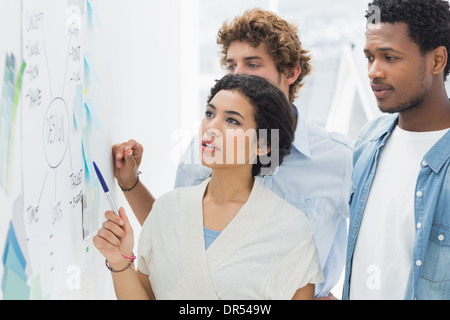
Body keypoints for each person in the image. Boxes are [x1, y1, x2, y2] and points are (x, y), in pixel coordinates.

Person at [113, 9, 353, 299]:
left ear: (290, 72)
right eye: (231, 66)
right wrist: (131, 184)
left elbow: (375, 243)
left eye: (252, 64)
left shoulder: (339, 159)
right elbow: (172, 231)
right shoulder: (204, 147)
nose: (238, 75)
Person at [93, 74, 324, 300]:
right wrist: (119, 260)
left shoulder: (291, 229)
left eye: (232, 120)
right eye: (209, 114)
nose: (212, 127)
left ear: (263, 145)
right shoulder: (167, 208)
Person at [344, 0, 450, 300]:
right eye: (369, 58)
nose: (374, 72)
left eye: (390, 57)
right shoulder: (367, 141)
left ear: (437, 61)